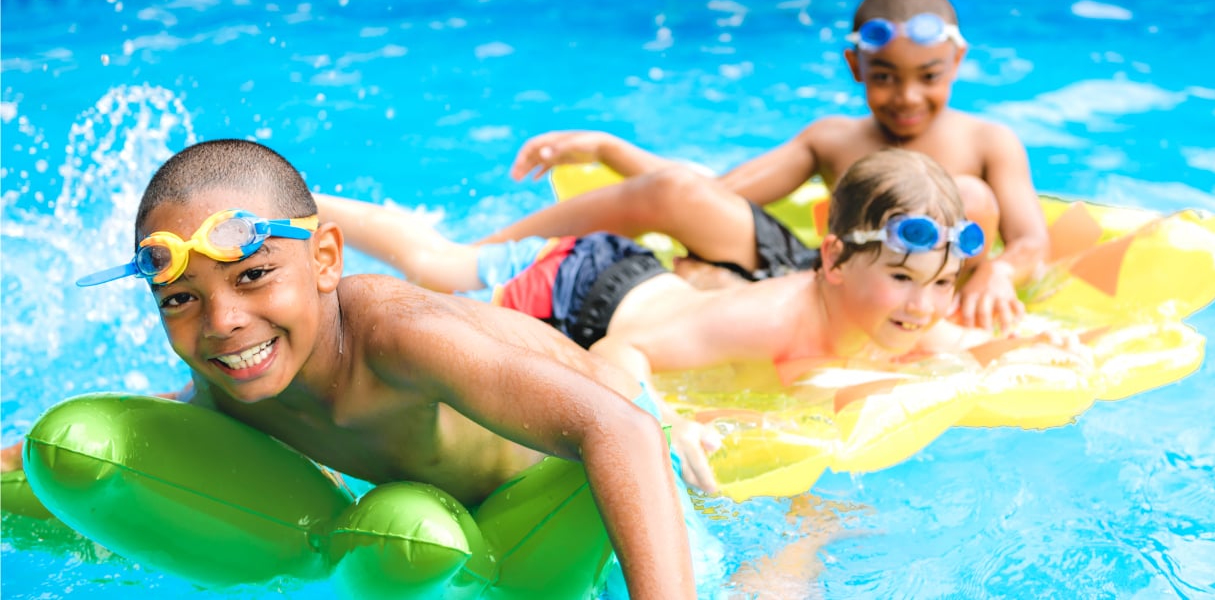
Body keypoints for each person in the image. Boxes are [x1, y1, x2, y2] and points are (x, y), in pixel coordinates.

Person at [1, 139, 697, 599]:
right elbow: (183, 413)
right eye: (181, 299)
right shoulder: (229, 370)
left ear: (327, 260)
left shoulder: (401, 339)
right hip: (456, 515)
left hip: (591, 462)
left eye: (253, 276)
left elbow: (620, 430)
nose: (222, 323)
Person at [315, 148, 1075, 495]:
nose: (923, 305)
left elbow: (969, 342)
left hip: (637, 282)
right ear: (835, 259)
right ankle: (307, 212)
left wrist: (1031, 338)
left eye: (941, 284)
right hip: (582, 289)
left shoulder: (906, 318)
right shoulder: (770, 317)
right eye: (905, 280)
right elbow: (625, 349)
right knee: (439, 268)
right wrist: (663, 420)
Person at [481, 0, 1049, 335]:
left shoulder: (988, 142)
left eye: (928, 76)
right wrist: (609, 149)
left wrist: (998, 269)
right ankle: (483, 254)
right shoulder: (833, 139)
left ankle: (724, 288)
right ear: (856, 70)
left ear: (958, 60)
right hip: (822, 277)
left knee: (968, 198)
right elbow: (720, 191)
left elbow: (1031, 242)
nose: (906, 96)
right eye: (884, 77)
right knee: (677, 194)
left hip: (914, 305)